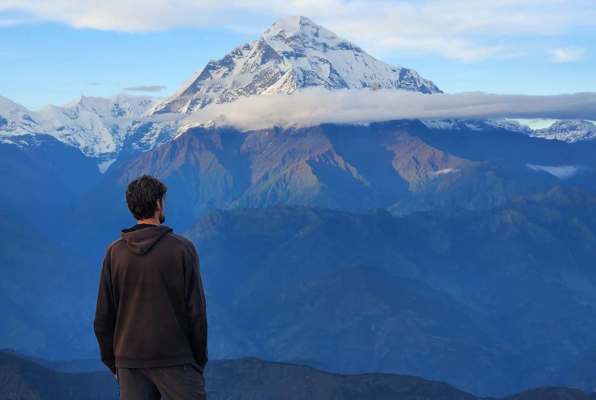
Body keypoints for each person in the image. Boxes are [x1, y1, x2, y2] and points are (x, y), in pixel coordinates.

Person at [93, 174, 208, 400]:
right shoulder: (182, 250)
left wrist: (114, 362)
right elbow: (197, 312)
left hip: (129, 362)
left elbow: (103, 317)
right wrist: (198, 360)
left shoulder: (114, 253)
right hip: (177, 359)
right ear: (158, 203)